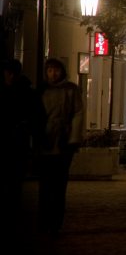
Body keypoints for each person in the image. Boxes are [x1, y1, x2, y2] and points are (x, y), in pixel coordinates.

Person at [36, 58, 85, 234]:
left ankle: (56, 222)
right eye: (49, 70)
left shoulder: (70, 90)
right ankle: (44, 221)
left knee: (59, 184)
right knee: (45, 185)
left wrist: (73, 138)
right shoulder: (41, 90)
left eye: (56, 70)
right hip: (46, 141)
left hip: (64, 142)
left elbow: (78, 113)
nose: (53, 74)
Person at [4, 58, 44, 232]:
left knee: (14, 183)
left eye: (12, 73)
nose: (9, 76)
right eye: (7, 73)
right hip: (16, 144)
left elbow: (38, 119)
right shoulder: (28, 93)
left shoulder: (28, 93)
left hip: (18, 144)